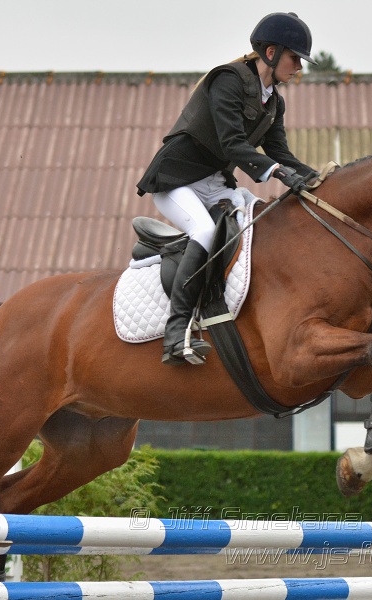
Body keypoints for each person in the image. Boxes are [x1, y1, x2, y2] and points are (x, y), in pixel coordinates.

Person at [137, 12, 319, 366]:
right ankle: (176, 333)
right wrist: (281, 173)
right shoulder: (229, 80)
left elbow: (280, 153)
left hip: (213, 183)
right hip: (177, 179)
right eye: (294, 57)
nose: (299, 66)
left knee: (256, 214)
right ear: (270, 52)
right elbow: (234, 144)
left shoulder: (274, 101)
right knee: (204, 230)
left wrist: (319, 179)